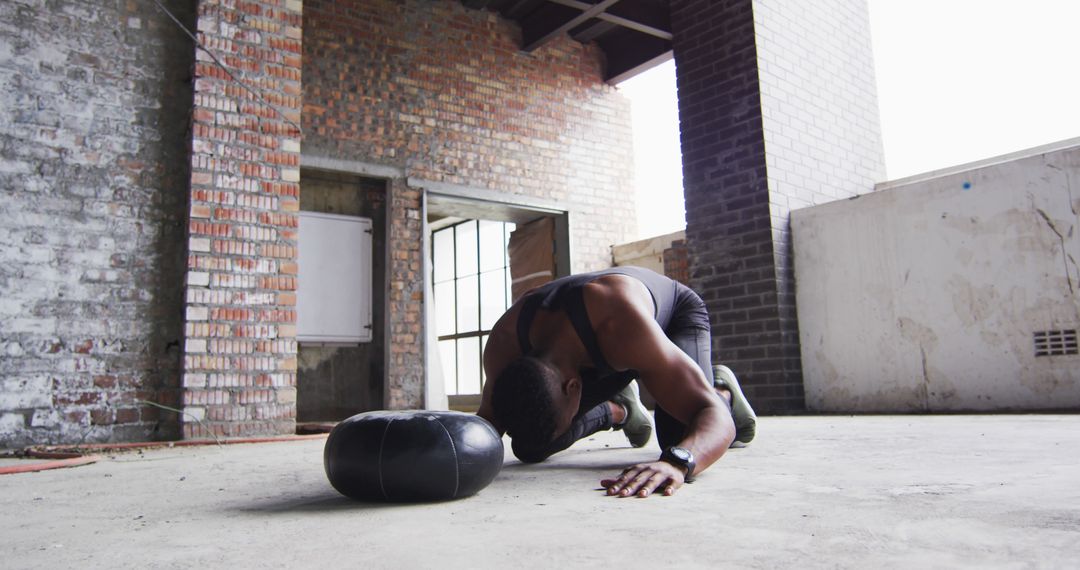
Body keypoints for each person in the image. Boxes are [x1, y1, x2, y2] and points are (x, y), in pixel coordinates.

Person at [477, 266, 756, 498]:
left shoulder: (620, 325)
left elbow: (713, 417)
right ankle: (619, 409)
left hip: (670, 319)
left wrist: (678, 462)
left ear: (573, 386)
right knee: (530, 444)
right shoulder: (503, 348)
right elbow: (487, 426)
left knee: (680, 439)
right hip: (600, 349)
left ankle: (720, 388)